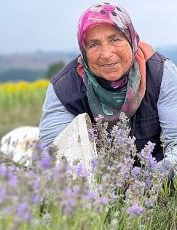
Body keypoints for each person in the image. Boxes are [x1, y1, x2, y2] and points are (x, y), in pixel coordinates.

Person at [38, 2, 177, 179]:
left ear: (131, 40)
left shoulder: (160, 74)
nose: (106, 54)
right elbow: (51, 156)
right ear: (83, 50)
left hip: (156, 184)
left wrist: (148, 180)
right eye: (94, 44)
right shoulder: (64, 88)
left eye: (115, 39)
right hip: (93, 187)